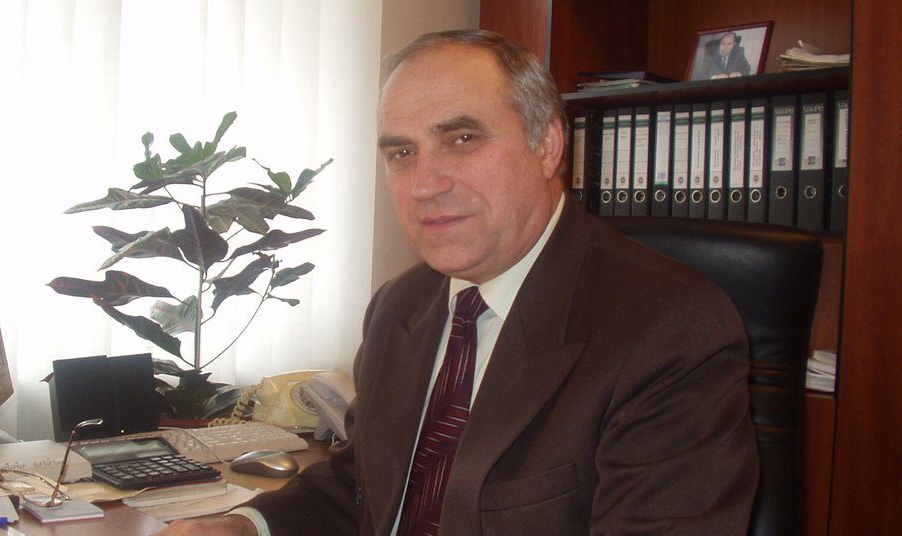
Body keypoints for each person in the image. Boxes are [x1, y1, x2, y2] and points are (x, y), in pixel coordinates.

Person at [160, 29, 758, 535]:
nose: (424, 185)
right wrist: (246, 527)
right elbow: (364, 484)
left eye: (462, 139)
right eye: (402, 153)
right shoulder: (401, 306)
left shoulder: (668, 328)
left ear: (547, 145)